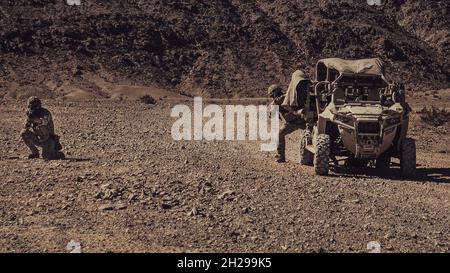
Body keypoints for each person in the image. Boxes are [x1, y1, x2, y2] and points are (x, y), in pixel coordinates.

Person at [268, 70, 309, 163]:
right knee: (279, 135)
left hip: (300, 120)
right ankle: (281, 157)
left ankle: (282, 157)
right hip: (294, 122)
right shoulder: (280, 100)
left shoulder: (288, 96)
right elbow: (272, 115)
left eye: (273, 95)